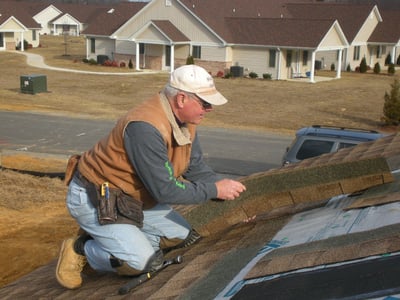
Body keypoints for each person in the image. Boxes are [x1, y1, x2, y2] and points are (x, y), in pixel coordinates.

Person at [55, 64, 246, 289]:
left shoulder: (185, 122)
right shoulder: (145, 128)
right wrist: (215, 190)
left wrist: (233, 196)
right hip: (96, 198)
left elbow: (194, 168)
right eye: (205, 103)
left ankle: (116, 238)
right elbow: (164, 191)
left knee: (182, 238)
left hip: (132, 198)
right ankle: (82, 249)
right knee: (142, 262)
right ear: (182, 99)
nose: (210, 108)